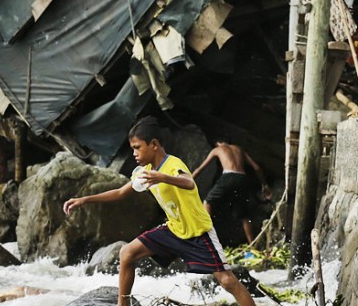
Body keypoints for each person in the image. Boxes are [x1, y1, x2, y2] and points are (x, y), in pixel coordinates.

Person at [63, 118, 257, 306]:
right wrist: (85, 200)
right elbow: (121, 192)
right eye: (132, 149)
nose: (134, 154)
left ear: (154, 144)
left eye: (137, 147)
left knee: (226, 281)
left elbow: (189, 183)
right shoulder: (144, 171)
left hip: (198, 232)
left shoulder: (173, 165)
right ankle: (123, 304)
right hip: (174, 230)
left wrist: (163, 177)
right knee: (126, 253)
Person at [192, 139, 272, 245]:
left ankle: (205, 239)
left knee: (207, 202)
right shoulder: (239, 149)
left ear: (218, 143)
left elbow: (199, 169)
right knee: (244, 215)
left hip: (228, 176)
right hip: (243, 178)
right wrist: (264, 185)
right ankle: (252, 244)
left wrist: (187, 180)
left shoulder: (218, 149)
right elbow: (257, 167)